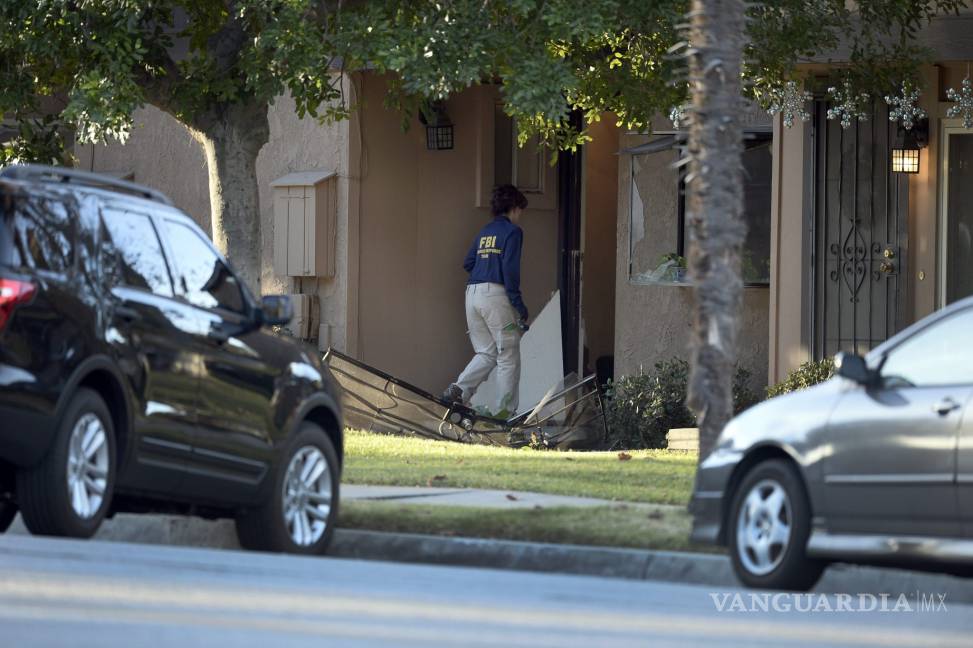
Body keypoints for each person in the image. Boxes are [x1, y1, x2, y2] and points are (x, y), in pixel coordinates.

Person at [443, 184, 529, 414]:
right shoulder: (513, 232)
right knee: (508, 356)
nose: (520, 216)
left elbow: (468, 263)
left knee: (487, 352)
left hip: (472, 294)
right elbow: (510, 272)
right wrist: (519, 305)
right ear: (513, 207)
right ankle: (505, 413)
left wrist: (486, 268)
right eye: (520, 210)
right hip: (495, 296)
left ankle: (459, 390)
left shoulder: (485, 231)